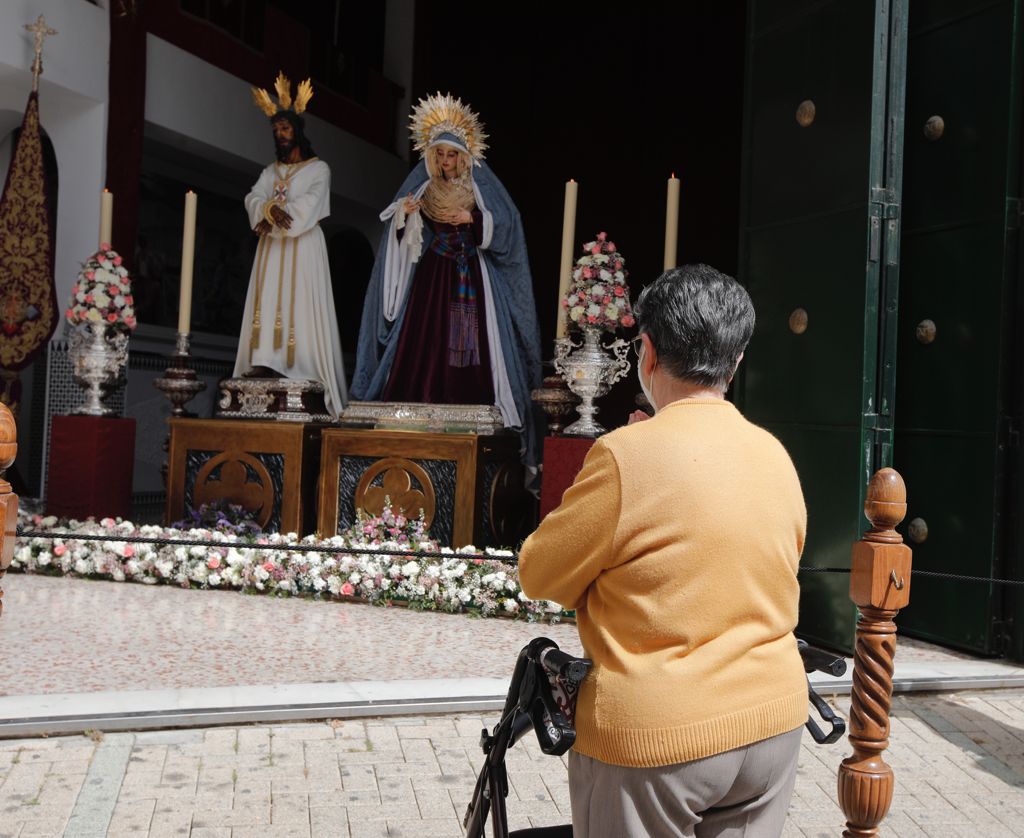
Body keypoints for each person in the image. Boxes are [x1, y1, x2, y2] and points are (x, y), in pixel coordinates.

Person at [519, 264, 808, 837]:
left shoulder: (627, 454)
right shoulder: (774, 453)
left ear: (646, 352)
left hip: (658, 736)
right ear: (737, 360)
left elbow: (540, 574)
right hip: (771, 723)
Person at [351, 93, 542, 477]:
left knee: (471, 340)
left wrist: (473, 220)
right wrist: (403, 220)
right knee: (423, 339)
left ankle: (471, 400)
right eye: (438, 155)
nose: (444, 162)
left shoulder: (479, 189)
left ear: (465, 156)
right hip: (431, 275)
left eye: (451, 155)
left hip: (468, 274)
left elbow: (507, 224)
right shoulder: (422, 191)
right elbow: (401, 237)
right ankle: (419, 401)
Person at [234, 73, 347, 419]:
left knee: (299, 303)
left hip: (302, 247)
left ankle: (298, 363)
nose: (279, 135)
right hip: (272, 248)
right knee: (267, 300)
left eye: (284, 129)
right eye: (275, 130)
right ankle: (266, 361)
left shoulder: (318, 169)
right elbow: (254, 195)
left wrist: (285, 214)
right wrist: (265, 209)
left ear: (297, 130)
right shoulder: (271, 171)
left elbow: (313, 203)